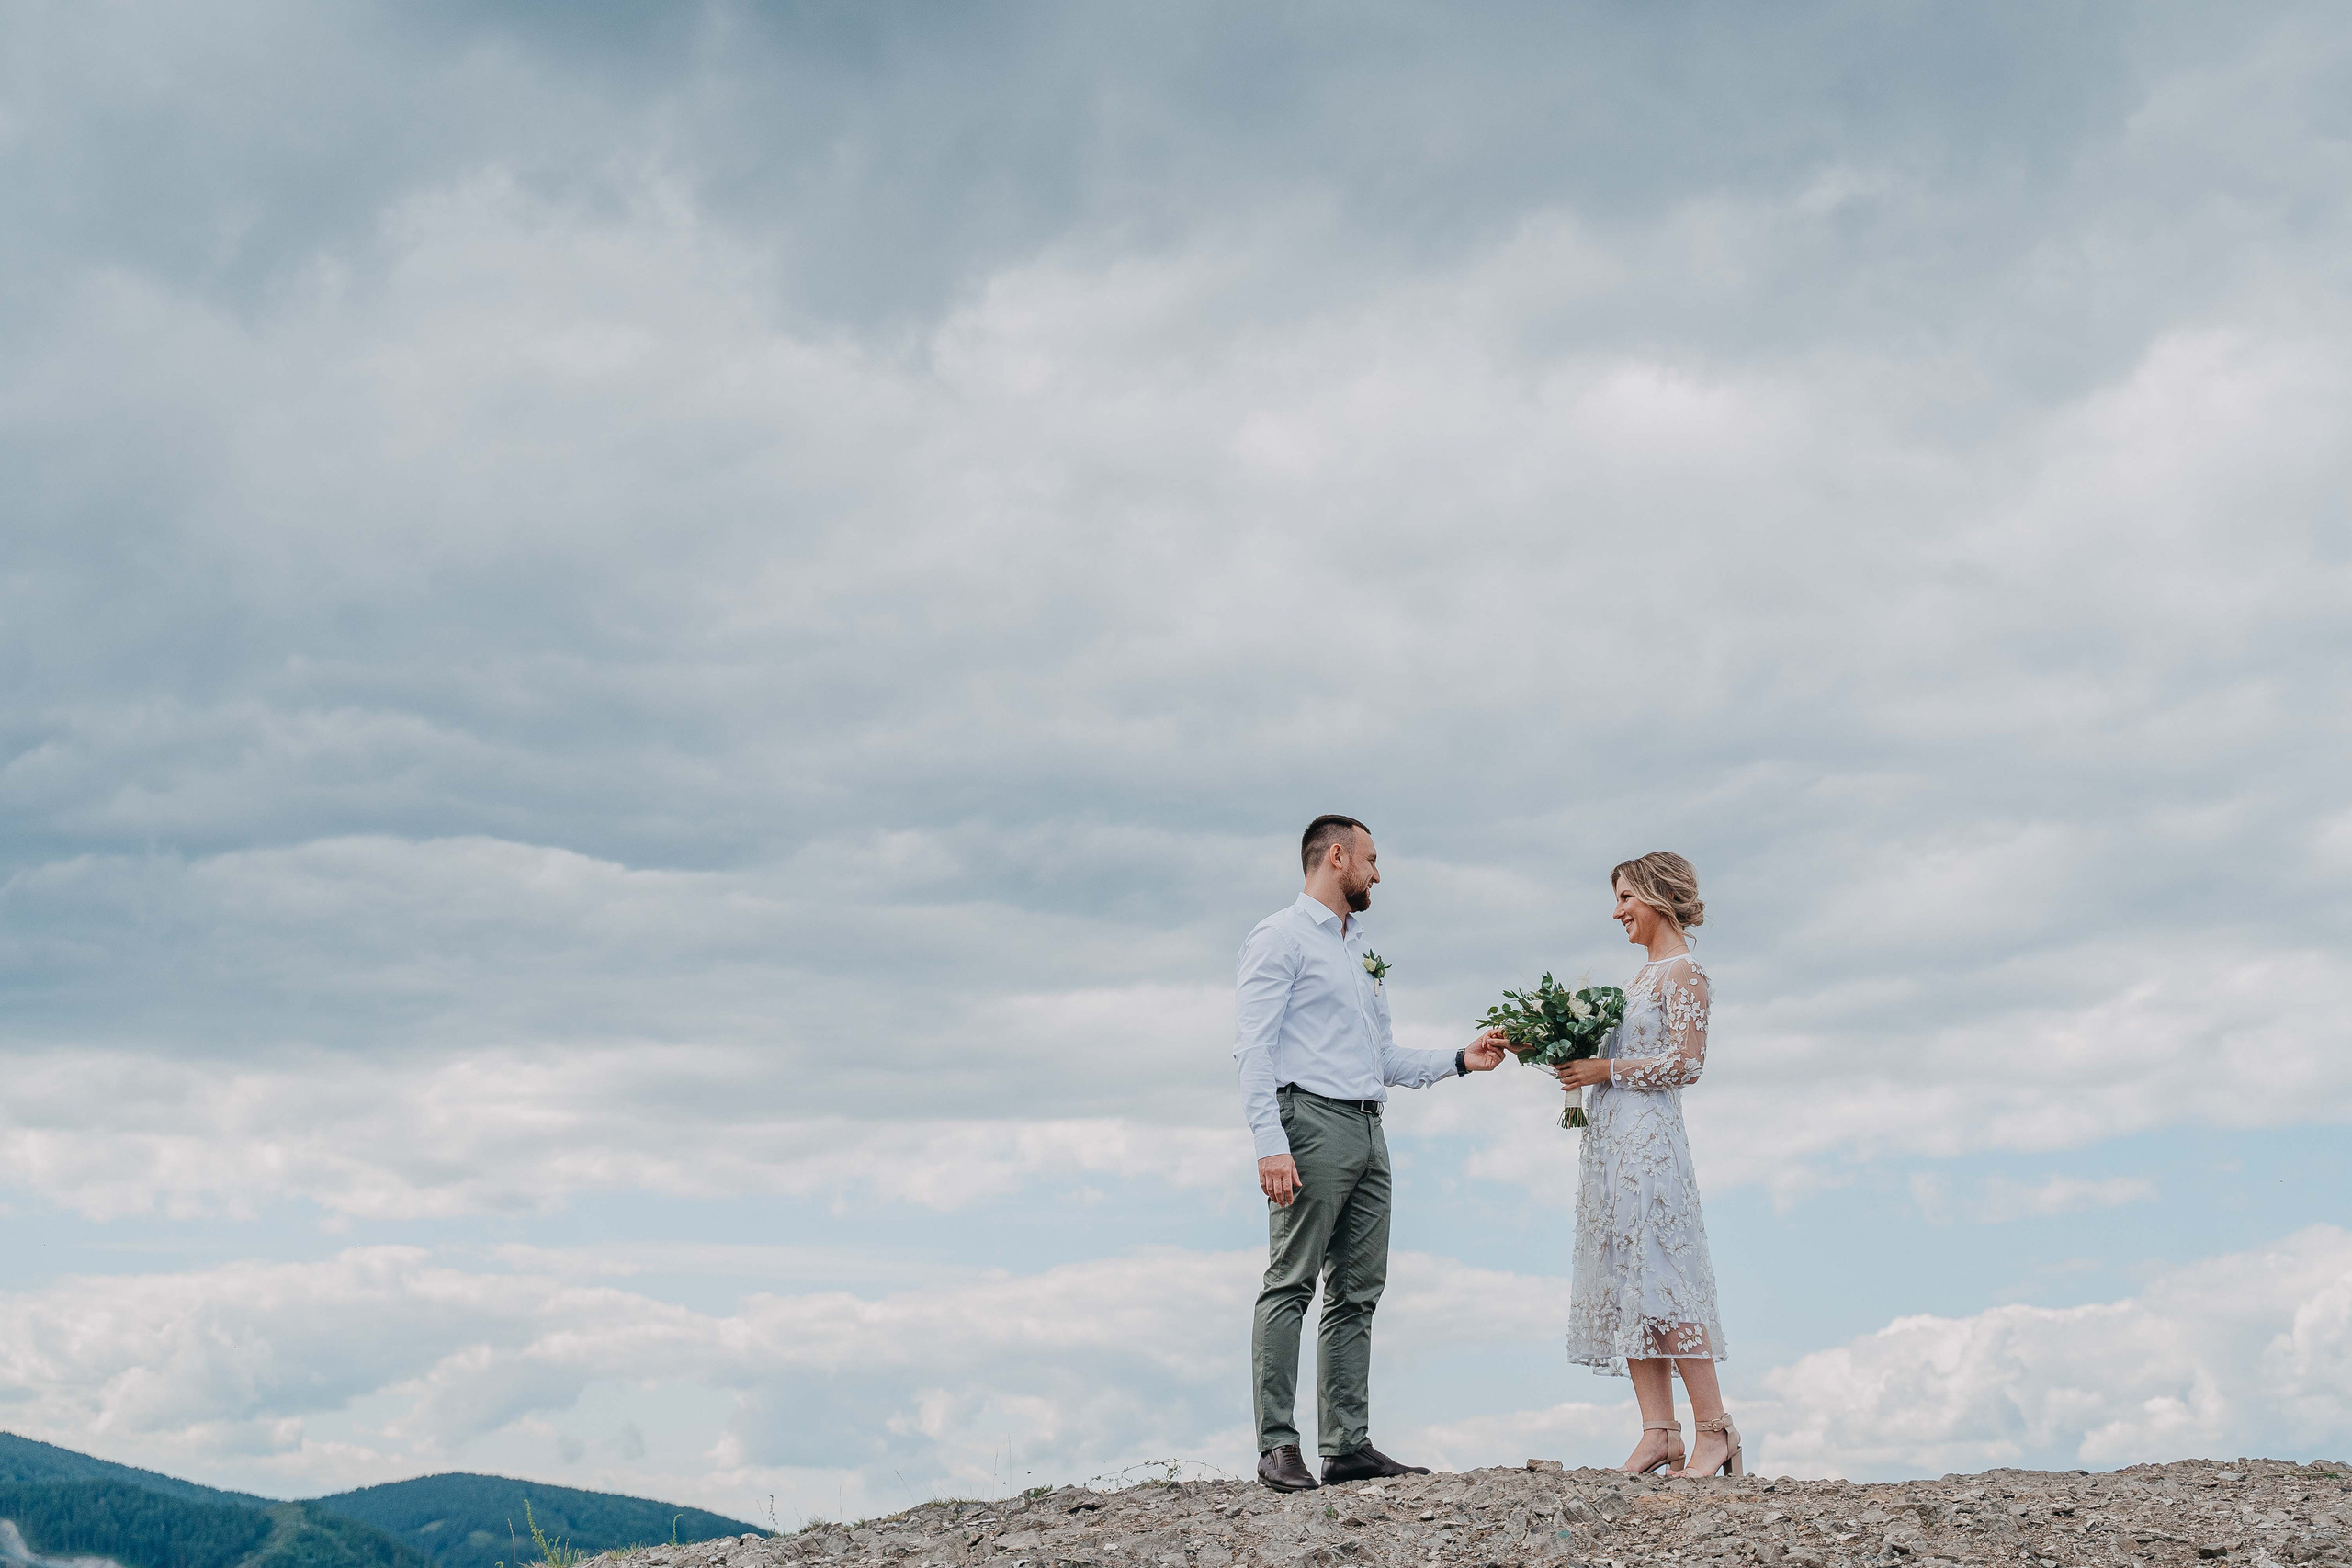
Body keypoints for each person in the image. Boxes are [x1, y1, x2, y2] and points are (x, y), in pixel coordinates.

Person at [1235, 814, 1510, 1493]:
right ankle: (1277, 1445)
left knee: (1358, 1291)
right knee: (1291, 1281)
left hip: (1368, 1127)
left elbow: (1382, 1056)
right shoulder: (1279, 937)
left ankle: (1347, 1445)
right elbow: (1253, 1047)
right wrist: (1271, 1142)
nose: (1378, 873)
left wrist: (1459, 1060)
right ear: (1336, 856)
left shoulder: (1363, 950)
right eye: (1372, 859)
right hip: (1310, 1121)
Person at [1553, 851, 1738, 1477]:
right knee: (1627, 1279)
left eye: (1627, 897)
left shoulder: (1685, 973)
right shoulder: (1635, 979)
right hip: (1610, 1144)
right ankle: (1659, 1430)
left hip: (1652, 1149)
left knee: (1667, 1279)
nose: (1618, 911)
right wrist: (1547, 1040)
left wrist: (1605, 1069)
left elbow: (1687, 1063)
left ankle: (1715, 1429)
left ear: (1658, 897)